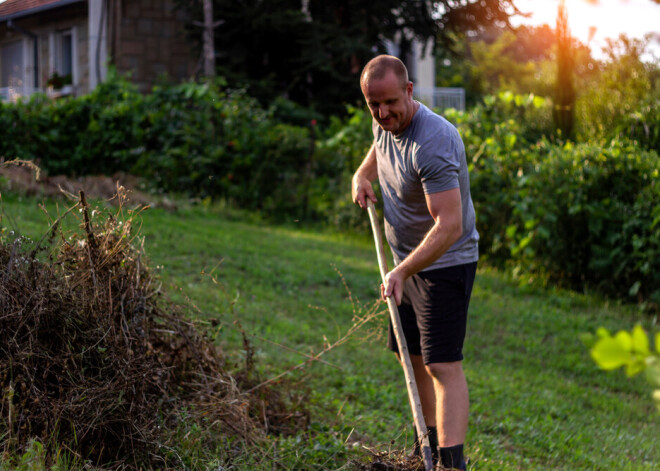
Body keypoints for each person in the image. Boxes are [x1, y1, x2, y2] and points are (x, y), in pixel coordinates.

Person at [352, 55, 478, 471]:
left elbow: (450, 225)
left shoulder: (434, 142)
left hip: (444, 262)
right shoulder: (384, 118)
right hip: (404, 261)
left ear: (410, 91)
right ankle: (425, 445)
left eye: (390, 102)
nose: (382, 113)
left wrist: (404, 270)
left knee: (442, 362)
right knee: (411, 356)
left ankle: (451, 463)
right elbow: (379, 144)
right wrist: (362, 175)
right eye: (374, 105)